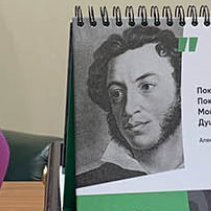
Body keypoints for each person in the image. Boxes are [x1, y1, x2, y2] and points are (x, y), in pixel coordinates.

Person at [76, 25, 185, 187]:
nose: (129, 109)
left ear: (180, 90)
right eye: (117, 94)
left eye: (146, 86)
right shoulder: (88, 185)